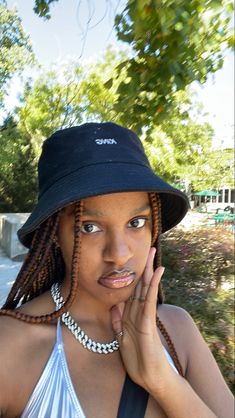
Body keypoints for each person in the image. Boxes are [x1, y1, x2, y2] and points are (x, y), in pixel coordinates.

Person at [0, 122, 233, 418]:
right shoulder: (9, 346)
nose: (119, 254)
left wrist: (164, 381)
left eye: (136, 223)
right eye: (90, 227)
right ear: (55, 234)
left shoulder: (178, 331)